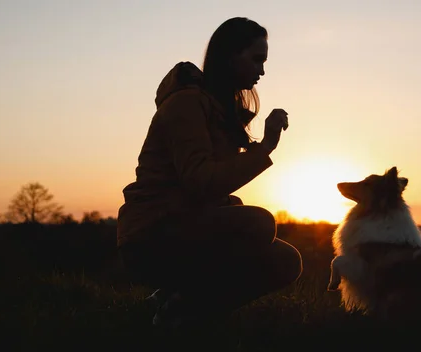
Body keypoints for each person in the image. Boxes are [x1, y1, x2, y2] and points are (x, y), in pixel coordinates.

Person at [116, 17, 303, 327]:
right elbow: (201, 183)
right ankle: (179, 305)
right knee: (259, 223)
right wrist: (266, 147)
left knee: (286, 260)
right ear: (230, 55)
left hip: (183, 227)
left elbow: (206, 191)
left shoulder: (216, 109)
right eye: (257, 59)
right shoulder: (186, 104)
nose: (263, 70)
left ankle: (182, 307)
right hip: (150, 237)